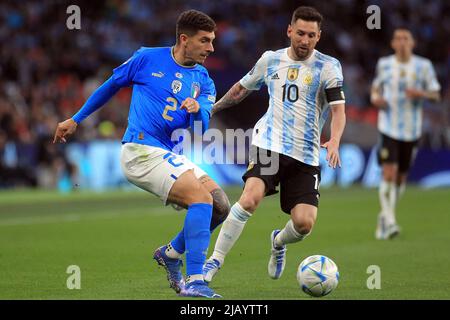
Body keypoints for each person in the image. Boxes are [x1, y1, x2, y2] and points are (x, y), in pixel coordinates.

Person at [53, 9, 230, 298]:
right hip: (140, 149)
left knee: (220, 205)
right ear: (184, 39)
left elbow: (202, 125)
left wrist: (197, 110)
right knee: (201, 198)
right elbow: (111, 86)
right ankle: (196, 281)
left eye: (212, 41)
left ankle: (171, 254)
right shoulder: (147, 58)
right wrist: (76, 118)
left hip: (167, 152)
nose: (211, 48)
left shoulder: (204, 80)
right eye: (205, 41)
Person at [202, 6, 346, 283]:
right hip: (270, 143)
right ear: (290, 30)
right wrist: (212, 109)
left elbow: (339, 110)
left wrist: (335, 140)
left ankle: (278, 242)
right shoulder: (271, 60)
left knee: (304, 224)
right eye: (300, 33)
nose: (304, 40)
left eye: (311, 35)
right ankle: (213, 262)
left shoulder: (328, 67)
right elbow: (240, 89)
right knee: (250, 198)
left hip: (305, 153)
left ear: (319, 37)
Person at [371, 28, 441, 240]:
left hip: (411, 130)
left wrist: (422, 93)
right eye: (398, 39)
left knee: (401, 178)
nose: (402, 42)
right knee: (389, 173)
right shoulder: (384, 64)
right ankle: (390, 221)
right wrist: (376, 99)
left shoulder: (423, 66)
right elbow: (375, 89)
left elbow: (436, 95)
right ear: (393, 43)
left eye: (406, 39)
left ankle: (384, 215)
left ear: (413, 43)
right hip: (388, 127)